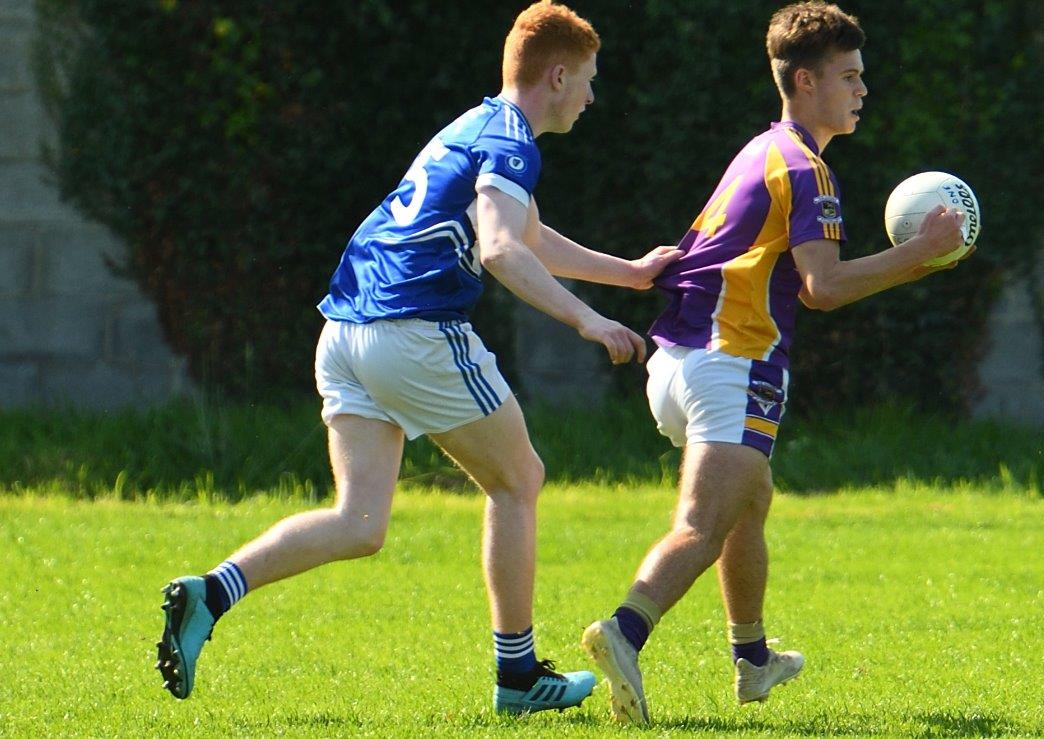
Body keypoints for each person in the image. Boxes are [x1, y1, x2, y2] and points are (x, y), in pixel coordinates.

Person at [155, 0, 680, 715]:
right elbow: (500, 250)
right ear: (557, 75)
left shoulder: (474, 125)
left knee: (360, 522)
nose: (592, 96)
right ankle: (519, 675)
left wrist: (629, 272)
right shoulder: (513, 140)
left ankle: (210, 592)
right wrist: (589, 321)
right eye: (588, 80)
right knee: (518, 479)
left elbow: (526, 233)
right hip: (414, 329)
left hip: (344, 332)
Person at [581, 1, 972, 725]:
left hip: (679, 363)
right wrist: (922, 256)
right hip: (732, 362)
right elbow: (822, 287)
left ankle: (753, 658)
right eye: (848, 76)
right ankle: (624, 630)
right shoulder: (807, 168)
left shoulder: (760, 151)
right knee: (702, 523)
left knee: (749, 499)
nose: (862, 90)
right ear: (803, 82)